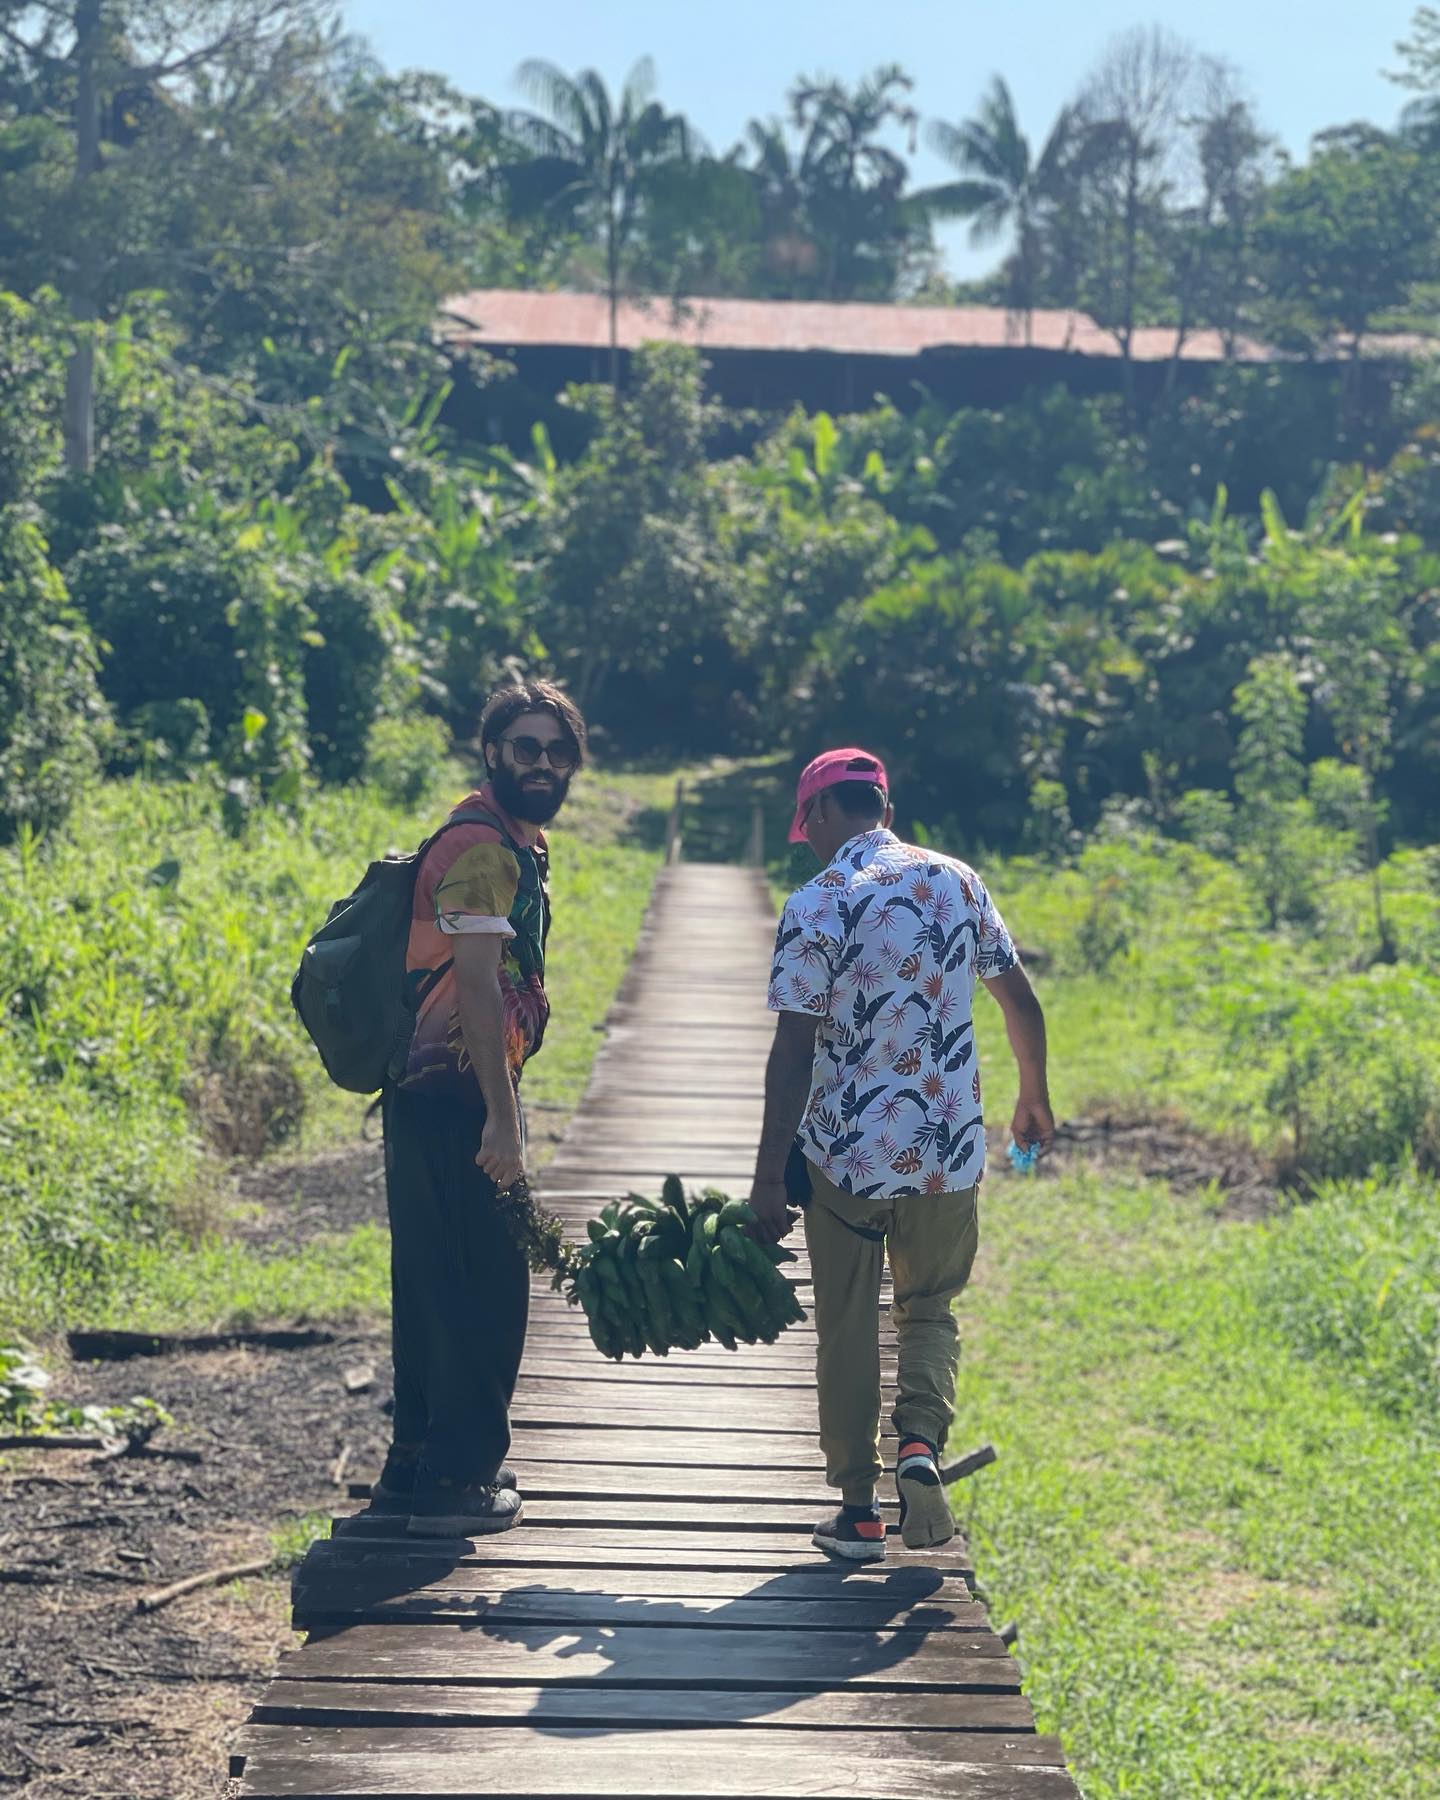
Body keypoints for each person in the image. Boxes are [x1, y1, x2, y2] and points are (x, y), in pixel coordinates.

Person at [750, 748, 1053, 1562]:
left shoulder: (820, 899)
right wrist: (1034, 1095)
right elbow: (1017, 996)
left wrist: (765, 1174)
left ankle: (857, 1512)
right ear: (882, 804)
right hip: (947, 1151)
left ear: (818, 814)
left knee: (847, 1323)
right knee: (930, 1307)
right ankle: (919, 1444)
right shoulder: (959, 881)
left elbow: (793, 1047)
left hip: (846, 1156)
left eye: (804, 828)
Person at [371, 680, 587, 1537]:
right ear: (491, 752)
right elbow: (472, 985)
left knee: (434, 1282)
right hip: (454, 1097)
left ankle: (412, 1471)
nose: (542, 764)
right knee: (483, 1287)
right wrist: (503, 1117)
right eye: (524, 748)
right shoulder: (482, 848)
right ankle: (458, 1483)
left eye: (557, 752)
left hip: (434, 1096)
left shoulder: (513, 841)